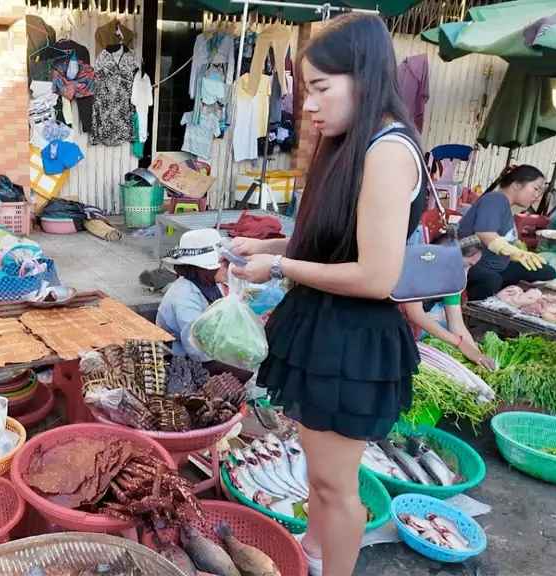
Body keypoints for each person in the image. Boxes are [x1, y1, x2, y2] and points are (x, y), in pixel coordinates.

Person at [224, 14, 425, 576]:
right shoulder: (348, 144)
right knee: (319, 474)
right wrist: (269, 245)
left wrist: (281, 264)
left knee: (337, 488)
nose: (307, 106)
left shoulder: (387, 150)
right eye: (304, 90)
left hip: (353, 344)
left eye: (319, 88)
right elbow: (339, 243)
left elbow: (377, 275)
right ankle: (311, 553)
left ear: (363, 75)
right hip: (326, 327)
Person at [156, 228, 254, 379]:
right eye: (222, 263)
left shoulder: (211, 284)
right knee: (249, 373)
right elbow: (198, 352)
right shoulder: (185, 297)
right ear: (203, 268)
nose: (227, 268)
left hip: (210, 349)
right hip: (183, 360)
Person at [457, 164, 556, 300]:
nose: (537, 196)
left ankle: (506, 297)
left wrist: (520, 250)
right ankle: (474, 311)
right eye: (535, 188)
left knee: (546, 272)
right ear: (516, 184)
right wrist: (514, 251)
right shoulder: (495, 199)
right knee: (492, 279)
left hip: (499, 265)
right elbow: (484, 233)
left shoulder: (506, 206)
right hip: (472, 263)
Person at [401, 234, 495, 369]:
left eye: (470, 267)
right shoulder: (418, 268)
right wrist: (460, 344)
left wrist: (477, 354)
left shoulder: (453, 283)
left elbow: (457, 325)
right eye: (465, 265)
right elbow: (415, 313)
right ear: (446, 258)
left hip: (413, 328)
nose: (466, 273)